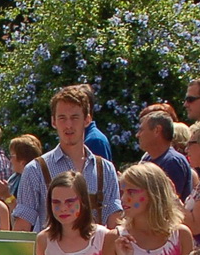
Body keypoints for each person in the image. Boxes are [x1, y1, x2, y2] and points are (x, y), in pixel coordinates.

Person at [13, 85, 122, 233]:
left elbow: (114, 224)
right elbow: (22, 227)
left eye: (75, 118)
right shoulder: (35, 170)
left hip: (97, 254)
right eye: (62, 118)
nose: (68, 125)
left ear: (87, 120)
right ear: (53, 122)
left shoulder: (106, 170)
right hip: (51, 253)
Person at [137, 105, 192, 201]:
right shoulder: (148, 159)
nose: (137, 135)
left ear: (157, 130)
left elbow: (169, 203)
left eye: (141, 130)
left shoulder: (173, 162)